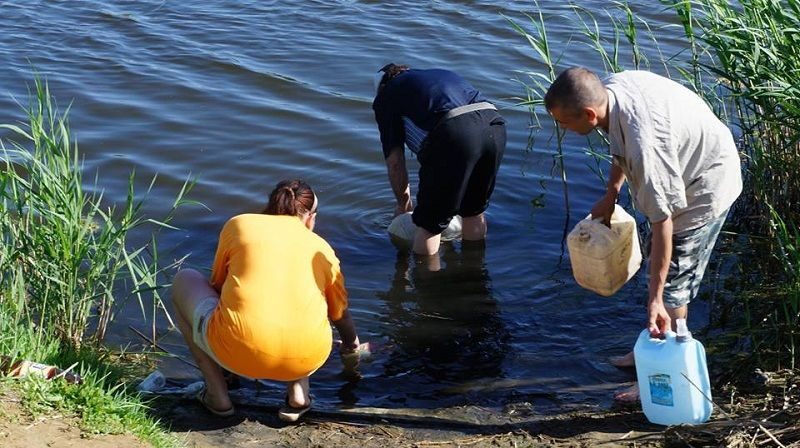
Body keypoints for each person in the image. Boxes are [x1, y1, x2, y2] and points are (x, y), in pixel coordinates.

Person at [544, 67, 742, 402]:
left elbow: (664, 222)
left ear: (589, 114)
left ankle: (664, 373)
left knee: (671, 288)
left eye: (563, 122)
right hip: (682, 163)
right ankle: (650, 346)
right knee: (658, 268)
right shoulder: (612, 92)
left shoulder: (644, 146)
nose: (561, 129)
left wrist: (655, 298)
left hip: (705, 188)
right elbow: (621, 142)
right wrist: (612, 193)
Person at [170, 179, 366, 422]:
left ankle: (217, 394)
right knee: (302, 302)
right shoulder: (323, 249)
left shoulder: (240, 225)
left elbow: (219, 287)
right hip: (308, 355)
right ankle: (298, 394)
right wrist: (351, 346)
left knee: (184, 279)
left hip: (237, 349)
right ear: (311, 218)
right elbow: (340, 314)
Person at [372, 63, 506, 257]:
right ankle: (475, 273)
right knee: (473, 211)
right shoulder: (434, 75)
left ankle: (428, 281)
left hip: (455, 131)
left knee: (429, 224)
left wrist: (403, 204)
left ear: (381, 87)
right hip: (495, 124)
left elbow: (395, 162)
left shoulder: (386, 96)